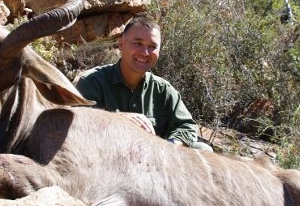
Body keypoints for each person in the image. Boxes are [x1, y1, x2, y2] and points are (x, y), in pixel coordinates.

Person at [75, 15, 212, 151]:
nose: (145, 52)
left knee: (203, 149)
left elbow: (186, 126)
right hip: (107, 158)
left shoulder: (163, 90)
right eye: (138, 43)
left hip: (154, 162)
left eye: (152, 46)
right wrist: (117, 120)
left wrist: (169, 147)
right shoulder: (91, 82)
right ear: (121, 44)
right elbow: (81, 125)